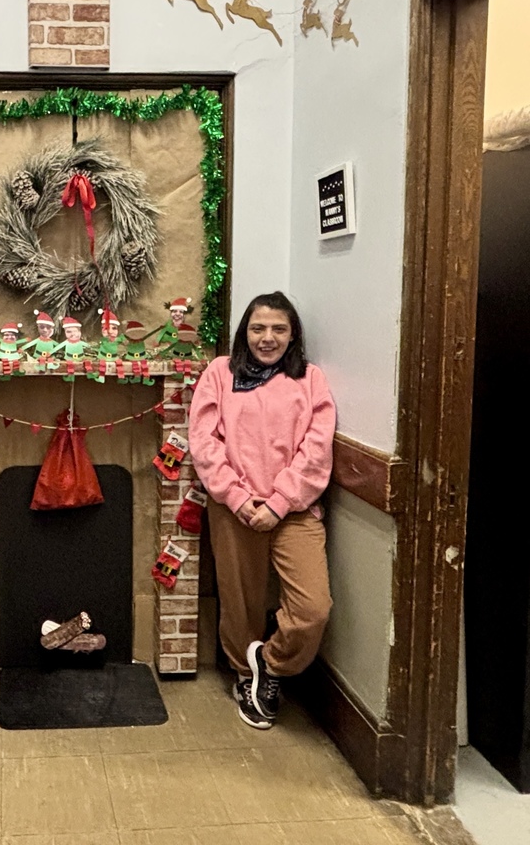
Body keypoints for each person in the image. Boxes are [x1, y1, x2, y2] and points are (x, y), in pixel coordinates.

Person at [188, 291, 335, 730]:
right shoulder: (219, 373)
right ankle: (243, 675)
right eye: (257, 328)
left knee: (313, 608)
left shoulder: (311, 380)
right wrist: (236, 496)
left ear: (293, 336)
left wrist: (279, 501)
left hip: (293, 511)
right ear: (243, 332)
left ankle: (269, 665)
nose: (267, 338)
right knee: (240, 604)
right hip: (236, 508)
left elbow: (316, 448)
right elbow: (204, 441)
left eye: (278, 329)